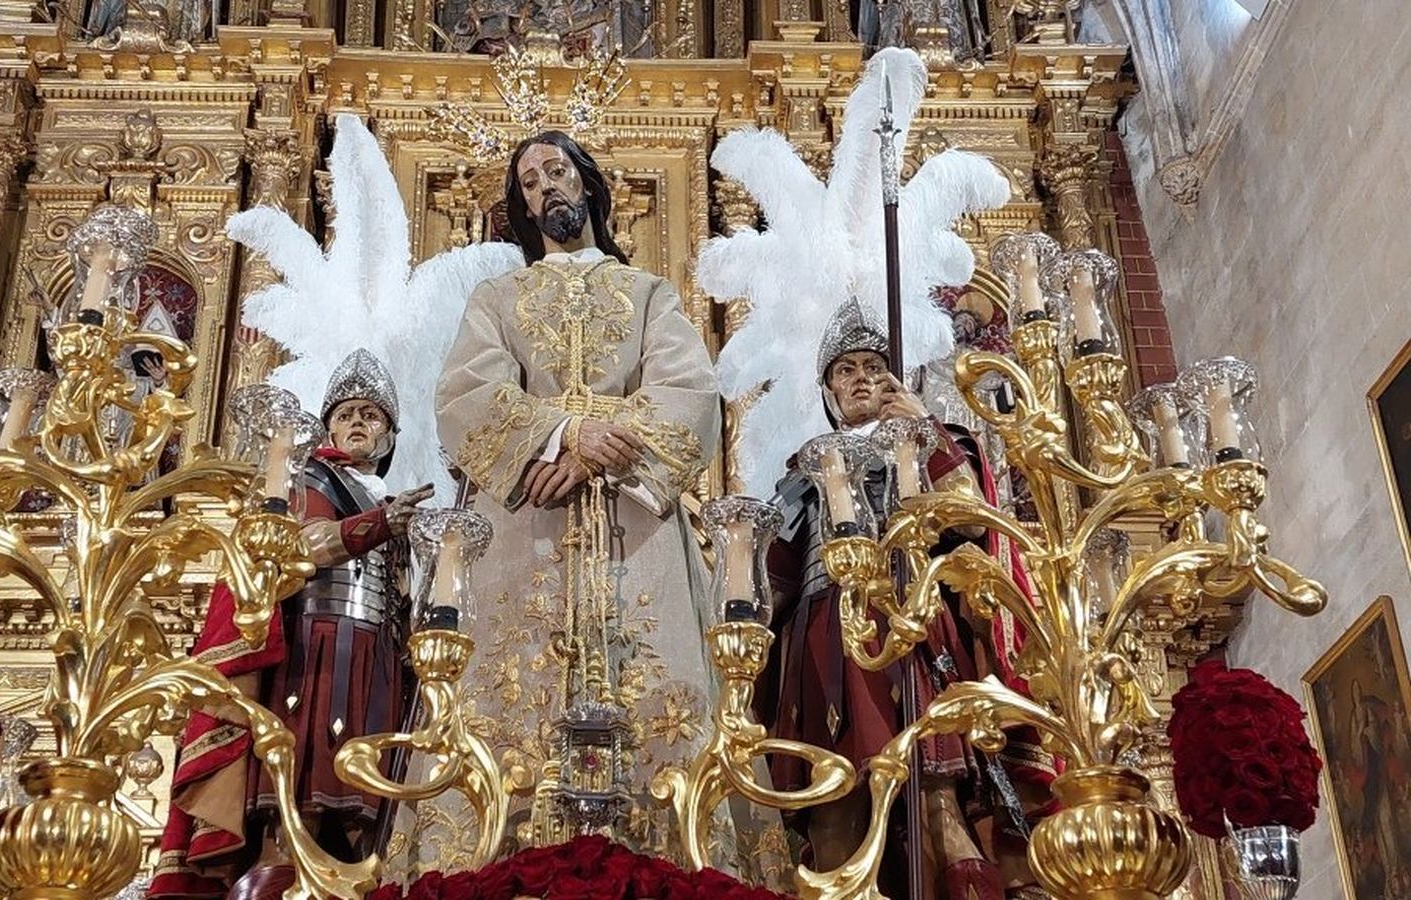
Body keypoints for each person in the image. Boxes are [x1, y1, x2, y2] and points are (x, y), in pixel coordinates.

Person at [391, 130, 786, 881]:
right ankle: (493, 864)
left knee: (663, 692)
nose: (545, 186)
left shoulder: (648, 294)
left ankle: (668, 861)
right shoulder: (498, 298)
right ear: (521, 204)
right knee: (500, 700)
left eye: (557, 170)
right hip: (524, 517)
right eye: (530, 179)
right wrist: (568, 432)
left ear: (588, 185)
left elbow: (690, 392)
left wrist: (601, 442)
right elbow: (466, 395)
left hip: (636, 520)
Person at [760, 299, 1047, 900]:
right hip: (820, 636)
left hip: (907, 620)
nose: (860, 376)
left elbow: (969, 521)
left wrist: (923, 428)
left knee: (932, 796)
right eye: (845, 369)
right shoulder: (803, 468)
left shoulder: (919, 446)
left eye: (873, 365)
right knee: (833, 805)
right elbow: (775, 580)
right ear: (827, 390)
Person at [149, 350, 433, 900]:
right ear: (328, 426)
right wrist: (374, 526)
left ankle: (354, 859)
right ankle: (284, 857)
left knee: (367, 777)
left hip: (377, 649)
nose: (357, 422)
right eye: (346, 413)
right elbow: (296, 546)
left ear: (391, 436)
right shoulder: (310, 478)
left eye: (371, 416)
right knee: (307, 765)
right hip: (317, 640)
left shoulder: (394, 502)